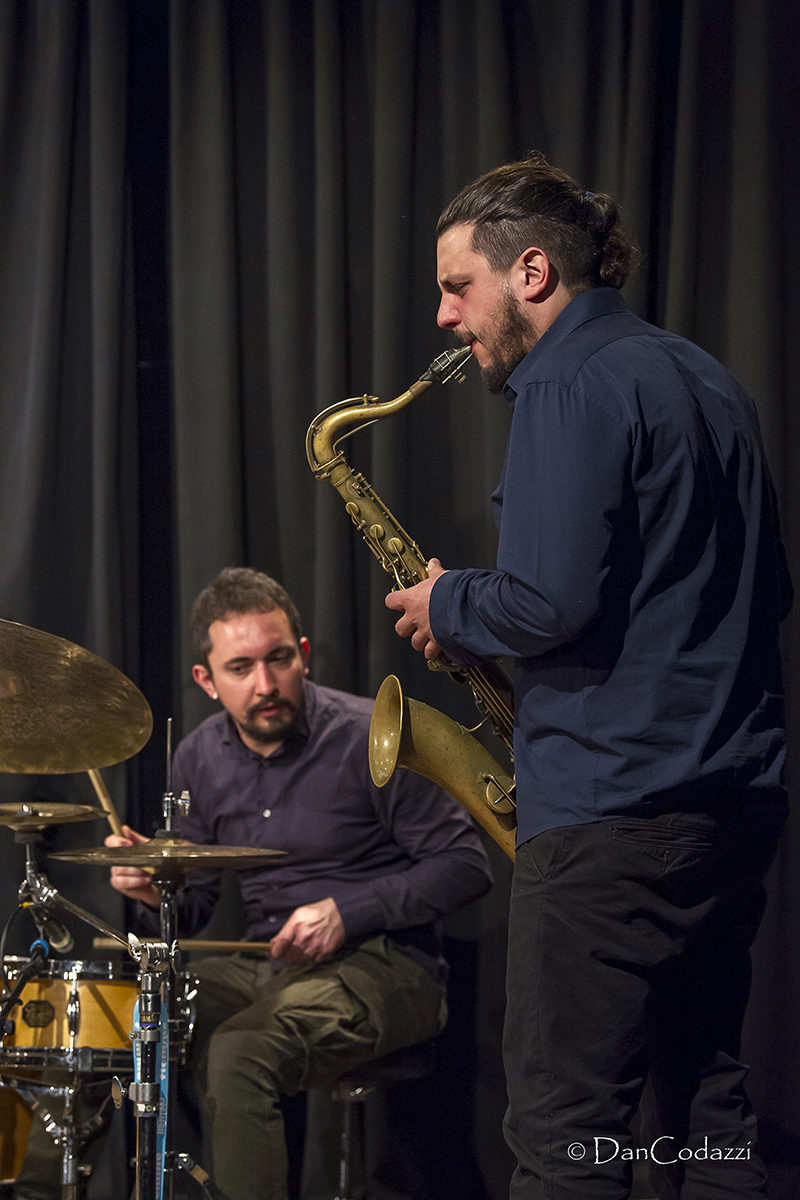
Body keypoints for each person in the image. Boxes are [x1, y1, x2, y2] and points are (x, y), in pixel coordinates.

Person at [386, 154, 793, 1200]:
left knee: (567, 1144)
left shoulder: (565, 382)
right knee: (706, 1121)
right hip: (729, 807)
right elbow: (769, 591)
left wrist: (450, 604)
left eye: (454, 285)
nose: (441, 315)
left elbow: (548, 603)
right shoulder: (705, 377)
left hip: (611, 818)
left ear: (529, 272)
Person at [107, 567, 492, 1200]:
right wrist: (158, 894)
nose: (266, 684)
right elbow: (197, 904)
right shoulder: (198, 757)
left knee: (238, 1053)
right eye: (241, 668)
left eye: (279, 659)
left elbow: (467, 864)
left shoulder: (368, 735)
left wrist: (348, 910)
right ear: (206, 680)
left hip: (389, 966)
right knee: (125, 1016)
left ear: (302, 655)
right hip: (273, 965)